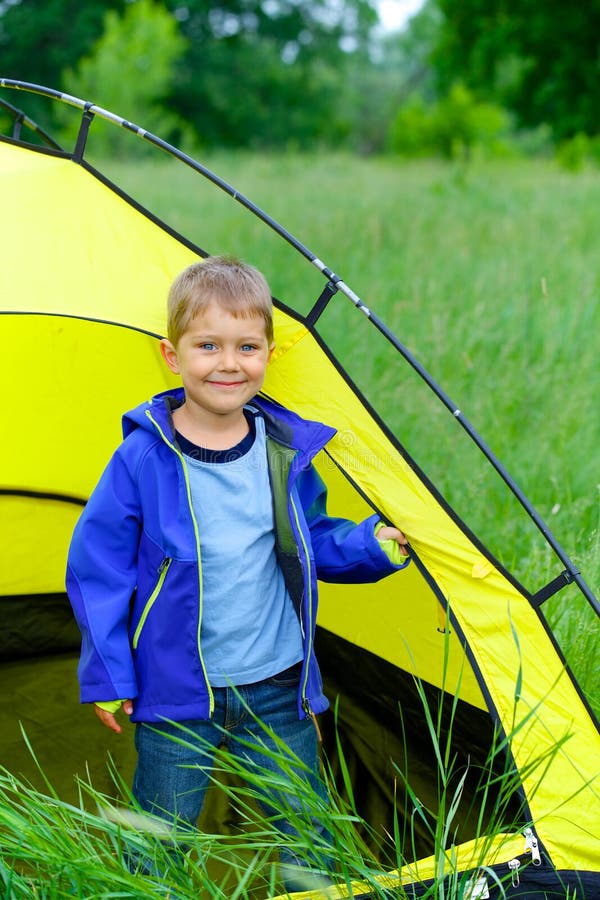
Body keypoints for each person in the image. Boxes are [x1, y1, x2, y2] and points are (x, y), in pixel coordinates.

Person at [66, 255, 410, 890]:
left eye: (247, 346)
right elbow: (98, 568)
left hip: (276, 685)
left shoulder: (283, 451)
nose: (228, 363)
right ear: (172, 356)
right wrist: (110, 672)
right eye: (208, 346)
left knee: (309, 832)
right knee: (158, 837)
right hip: (175, 693)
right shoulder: (142, 457)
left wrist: (370, 546)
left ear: (269, 356)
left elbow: (311, 540)